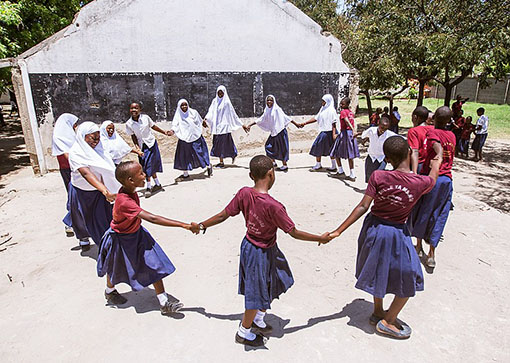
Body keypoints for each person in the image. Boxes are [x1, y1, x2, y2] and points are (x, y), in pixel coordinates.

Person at [190, 155, 330, 347]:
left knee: (276, 280)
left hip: (262, 248)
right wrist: (319, 238)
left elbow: (223, 215)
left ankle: (258, 318)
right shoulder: (275, 206)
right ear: (271, 174)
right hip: (257, 251)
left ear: (250, 175)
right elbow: (294, 232)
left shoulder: (244, 193)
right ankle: (243, 332)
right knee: (255, 293)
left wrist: (201, 225)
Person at [326, 136, 441, 339]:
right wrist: (437, 159)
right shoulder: (419, 182)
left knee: (378, 270)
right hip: (397, 232)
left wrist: (338, 231)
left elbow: (363, 206)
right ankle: (388, 321)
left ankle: (378, 311)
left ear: (387, 159)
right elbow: (433, 178)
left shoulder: (378, 176)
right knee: (412, 276)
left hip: (373, 229)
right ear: (409, 154)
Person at [97, 161, 195, 313]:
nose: (144, 176)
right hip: (121, 239)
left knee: (153, 263)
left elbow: (121, 197)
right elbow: (153, 218)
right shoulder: (125, 201)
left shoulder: (129, 190)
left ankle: (164, 302)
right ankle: (109, 292)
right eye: (141, 174)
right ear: (130, 180)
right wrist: (184, 225)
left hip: (137, 234)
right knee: (115, 267)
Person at [407, 106, 456, 270]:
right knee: (440, 214)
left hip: (433, 178)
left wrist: (439, 155)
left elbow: (435, 146)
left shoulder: (433, 133)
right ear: (449, 121)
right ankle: (432, 253)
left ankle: (419, 245)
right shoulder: (452, 135)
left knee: (424, 211)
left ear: (434, 119)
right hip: (447, 180)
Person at [68, 122, 121, 251]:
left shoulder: (100, 149)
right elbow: (86, 173)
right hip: (82, 191)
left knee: (100, 221)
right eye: (92, 138)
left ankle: (108, 248)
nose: (96, 141)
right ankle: (83, 238)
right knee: (80, 218)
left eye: (98, 138)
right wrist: (105, 191)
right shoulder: (76, 152)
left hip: (99, 191)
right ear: (83, 136)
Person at [243, 95, 302, 172]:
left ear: (274, 101)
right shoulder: (267, 110)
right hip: (274, 133)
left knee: (282, 148)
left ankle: (284, 165)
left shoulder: (277, 109)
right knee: (268, 147)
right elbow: (261, 119)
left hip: (280, 132)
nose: (269, 102)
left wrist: (296, 124)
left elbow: (286, 118)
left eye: (271, 100)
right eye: (268, 100)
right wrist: (250, 125)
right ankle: (273, 162)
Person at [125, 102, 170, 198]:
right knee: (145, 166)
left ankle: (149, 187)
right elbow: (133, 136)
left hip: (151, 143)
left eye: (136, 108)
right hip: (142, 147)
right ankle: (157, 184)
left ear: (140, 109)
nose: (134, 110)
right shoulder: (129, 124)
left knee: (150, 165)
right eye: (132, 108)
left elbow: (153, 126)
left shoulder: (145, 118)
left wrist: (164, 132)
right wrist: (137, 147)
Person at [52, 113, 80, 237]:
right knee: (75, 194)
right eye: (74, 124)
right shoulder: (60, 137)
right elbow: (67, 155)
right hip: (69, 169)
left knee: (76, 195)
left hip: (73, 168)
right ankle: (69, 222)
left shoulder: (69, 135)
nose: (75, 126)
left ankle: (73, 222)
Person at [171, 99, 213, 181]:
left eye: (185, 105)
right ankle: (185, 174)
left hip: (195, 137)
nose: (184, 107)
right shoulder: (178, 115)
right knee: (184, 156)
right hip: (184, 138)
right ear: (179, 107)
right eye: (182, 105)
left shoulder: (193, 112)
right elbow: (175, 125)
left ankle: (208, 166)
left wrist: (203, 123)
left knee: (200, 154)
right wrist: (172, 131)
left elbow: (200, 120)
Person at [203, 85, 244, 168]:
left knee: (224, 145)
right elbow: (210, 111)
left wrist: (242, 124)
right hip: (217, 127)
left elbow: (233, 114)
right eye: (219, 92)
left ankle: (223, 161)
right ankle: (228, 157)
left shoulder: (227, 103)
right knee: (218, 145)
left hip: (224, 127)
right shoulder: (215, 101)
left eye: (222, 92)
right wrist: (206, 119)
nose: (220, 94)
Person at [300, 94, 338, 171]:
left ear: (328, 101)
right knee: (318, 147)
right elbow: (316, 118)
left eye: (324, 101)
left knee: (329, 149)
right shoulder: (323, 109)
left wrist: (334, 134)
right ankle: (318, 164)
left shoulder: (332, 110)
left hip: (330, 132)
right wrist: (305, 123)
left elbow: (334, 123)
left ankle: (333, 166)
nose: (322, 102)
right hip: (324, 131)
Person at [329, 97, 360, 180]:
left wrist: (353, 130)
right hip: (350, 134)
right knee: (350, 154)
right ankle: (352, 174)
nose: (341, 105)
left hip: (345, 133)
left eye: (343, 104)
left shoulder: (343, 112)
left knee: (334, 152)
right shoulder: (350, 112)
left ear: (347, 104)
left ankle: (340, 171)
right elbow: (352, 121)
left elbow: (346, 121)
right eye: (341, 103)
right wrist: (353, 131)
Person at [359, 116, 395, 183]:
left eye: (385, 129)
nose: (383, 130)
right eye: (382, 128)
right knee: (369, 177)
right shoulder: (372, 130)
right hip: (371, 157)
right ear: (378, 124)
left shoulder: (389, 134)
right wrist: (365, 139)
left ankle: (377, 191)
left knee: (378, 177)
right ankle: (371, 191)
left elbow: (400, 139)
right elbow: (364, 135)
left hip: (381, 158)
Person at [407, 106, 433, 174]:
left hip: (419, 165)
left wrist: (414, 172)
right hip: (431, 165)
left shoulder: (413, 131)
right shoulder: (433, 129)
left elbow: (415, 151)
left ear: (415, 117)